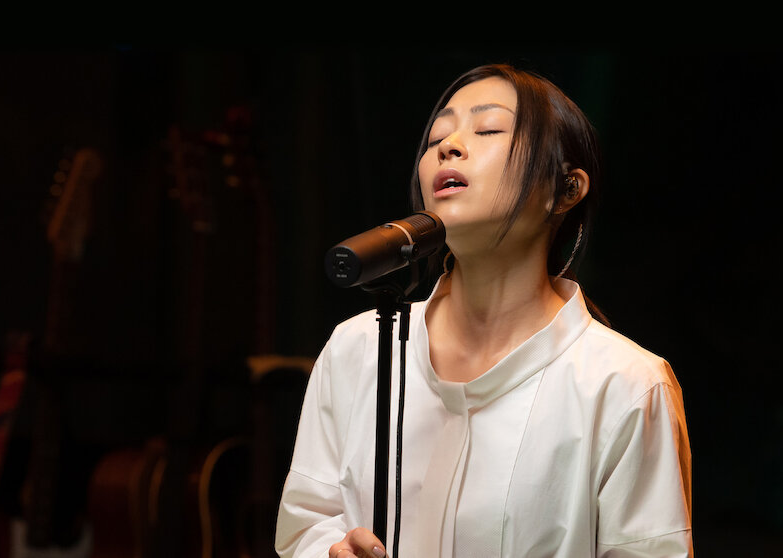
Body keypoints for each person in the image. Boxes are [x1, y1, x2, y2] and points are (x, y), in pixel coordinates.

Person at [275, 63, 692, 557]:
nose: (449, 147)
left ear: (565, 189)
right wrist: (329, 550)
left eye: (489, 129)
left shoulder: (625, 385)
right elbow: (305, 524)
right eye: (437, 138)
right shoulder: (359, 348)